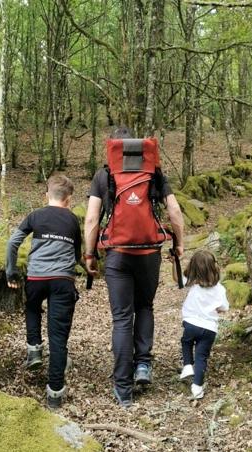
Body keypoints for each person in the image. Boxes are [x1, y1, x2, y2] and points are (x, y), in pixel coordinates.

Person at [84, 127, 184, 408]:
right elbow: (174, 211)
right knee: (145, 307)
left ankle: (123, 389)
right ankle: (142, 365)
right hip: (149, 252)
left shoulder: (104, 175)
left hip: (117, 254)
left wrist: (89, 254)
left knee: (121, 318)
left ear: (112, 147)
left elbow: (92, 219)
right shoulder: (154, 172)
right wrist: (179, 244)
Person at [6, 173, 81, 410]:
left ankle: (34, 350)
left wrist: (11, 272)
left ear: (46, 195)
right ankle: (55, 395)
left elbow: (12, 243)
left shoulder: (35, 215)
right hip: (62, 280)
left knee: (32, 306)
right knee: (58, 339)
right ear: (69, 199)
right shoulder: (72, 221)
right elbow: (77, 253)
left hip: (36, 277)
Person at [171, 250, 229, 399]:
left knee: (186, 342)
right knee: (201, 357)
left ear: (193, 269)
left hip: (191, 324)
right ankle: (197, 388)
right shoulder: (220, 289)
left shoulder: (192, 284)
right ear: (214, 268)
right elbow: (224, 308)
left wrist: (174, 263)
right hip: (209, 329)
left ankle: (188, 366)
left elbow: (177, 278)